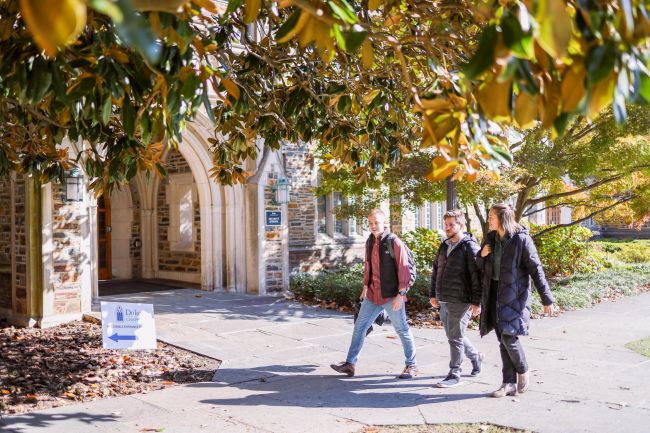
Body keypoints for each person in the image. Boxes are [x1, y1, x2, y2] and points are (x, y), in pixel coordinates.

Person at [477, 203, 555, 397]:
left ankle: (523, 369)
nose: (488, 219)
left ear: (502, 218)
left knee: (509, 337)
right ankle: (508, 383)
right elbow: (479, 265)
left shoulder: (521, 239)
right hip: (493, 293)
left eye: (491, 216)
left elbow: (536, 270)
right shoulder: (491, 239)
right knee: (501, 339)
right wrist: (481, 255)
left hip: (514, 296)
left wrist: (547, 299)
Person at [330, 208, 418, 379]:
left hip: (392, 296)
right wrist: (365, 286)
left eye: (376, 222)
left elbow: (404, 270)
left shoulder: (394, 242)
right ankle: (350, 364)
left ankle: (412, 366)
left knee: (402, 330)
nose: (372, 226)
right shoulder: (370, 241)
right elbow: (368, 266)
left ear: (384, 223)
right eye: (370, 223)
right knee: (360, 327)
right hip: (372, 295)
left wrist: (401, 294)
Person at [429, 209, 484, 388]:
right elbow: (436, 270)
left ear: (461, 225)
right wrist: (433, 294)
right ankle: (476, 357)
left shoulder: (469, 247)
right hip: (444, 297)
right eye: (446, 224)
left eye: (451, 224)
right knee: (453, 335)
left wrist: (477, 302)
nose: (447, 228)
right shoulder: (444, 245)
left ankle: (455, 373)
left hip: (461, 299)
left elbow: (477, 276)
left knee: (455, 337)